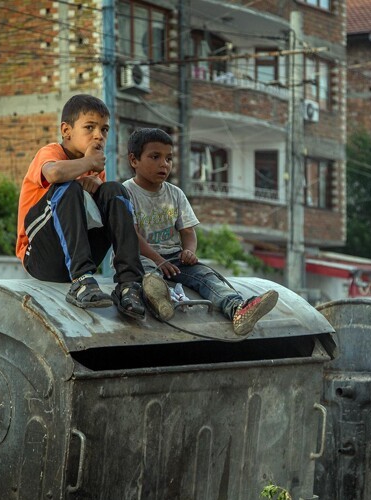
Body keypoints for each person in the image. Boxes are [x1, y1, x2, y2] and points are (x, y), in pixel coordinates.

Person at [122, 127, 278, 335]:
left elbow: (187, 231)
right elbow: (131, 235)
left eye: (169, 158)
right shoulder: (126, 191)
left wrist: (189, 251)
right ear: (134, 160)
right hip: (142, 256)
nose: (164, 164)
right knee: (148, 275)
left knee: (206, 275)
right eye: (155, 157)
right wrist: (158, 259)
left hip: (174, 258)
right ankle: (160, 301)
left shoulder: (175, 193)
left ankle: (238, 309)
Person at [16, 94, 146, 319]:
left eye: (104, 130)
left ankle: (129, 284)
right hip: (40, 255)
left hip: (79, 252)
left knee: (115, 191)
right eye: (90, 127)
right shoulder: (51, 152)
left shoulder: (95, 168)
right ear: (66, 130)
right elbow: (54, 173)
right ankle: (82, 280)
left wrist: (97, 184)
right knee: (68, 186)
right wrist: (88, 164)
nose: (99, 135)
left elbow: (102, 215)